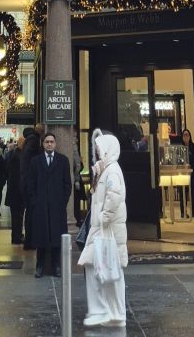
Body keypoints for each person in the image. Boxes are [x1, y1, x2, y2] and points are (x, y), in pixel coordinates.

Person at [79, 129, 127, 330]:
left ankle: (110, 312)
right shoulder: (105, 170)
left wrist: (104, 218)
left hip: (106, 229)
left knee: (107, 270)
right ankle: (109, 311)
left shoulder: (113, 170)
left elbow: (114, 196)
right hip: (102, 228)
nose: (98, 152)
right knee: (100, 267)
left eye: (100, 149)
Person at [27, 131, 71, 279]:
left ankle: (56, 266)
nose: (49, 144)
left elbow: (67, 184)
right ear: (43, 144)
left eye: (52, 142)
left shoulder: (63, 161)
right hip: (40, 206)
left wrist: (62, 201)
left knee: (57, 237)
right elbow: (30, 183)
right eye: (47, 142)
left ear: (55, 144)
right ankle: (39, 266)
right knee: (41, 237)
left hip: (57, 206)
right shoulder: (35, 161)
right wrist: (35, 201)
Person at [19, 128, 40, 250]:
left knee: (29, 213)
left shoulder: (28, 142)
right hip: (30, 184)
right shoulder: (33, 141)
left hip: (26, 183)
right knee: (31, 213)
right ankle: (30, 241)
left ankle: (30, 240)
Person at [5, 137, 25, 245]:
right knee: (17, 216)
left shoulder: (13, 154)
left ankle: (17, 235)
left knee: (17, 216)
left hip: (14, 192)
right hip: (16, 193)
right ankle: (17, 237)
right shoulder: (18, 157)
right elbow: (17, 176)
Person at [180, 128, 194, 218]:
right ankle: (183, 211)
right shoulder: (180, 148)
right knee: (183, 193)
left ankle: (193, 210)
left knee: (193, 192)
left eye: (187, 134)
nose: (186, 136)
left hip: (193, 174)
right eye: (184, 135)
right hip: (182, 174)